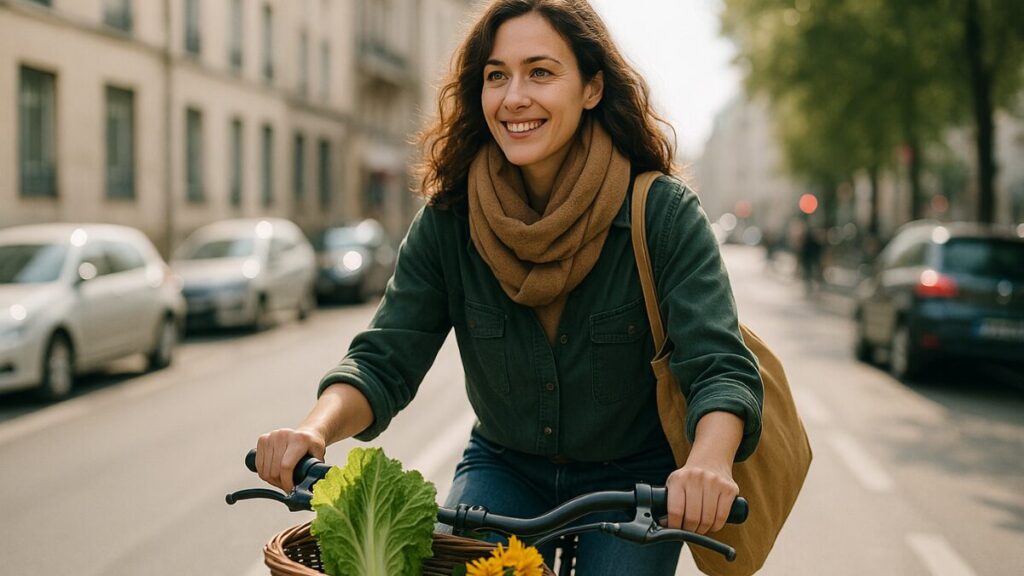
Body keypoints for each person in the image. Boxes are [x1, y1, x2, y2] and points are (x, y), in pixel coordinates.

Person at [255, 1, 763, 573]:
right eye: (497, 75)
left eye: (540, 72)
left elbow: (719, 366)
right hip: (504, 465)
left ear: (592, 88)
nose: (513, 96)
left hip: (634, 478)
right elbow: (383, 360)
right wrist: (312, 429)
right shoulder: (450, 219)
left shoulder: (662, 213)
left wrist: (709, 463)